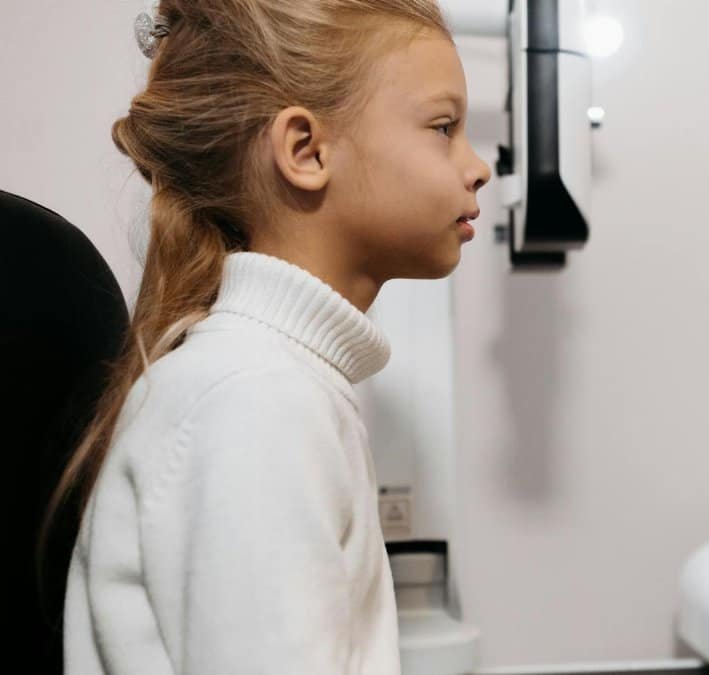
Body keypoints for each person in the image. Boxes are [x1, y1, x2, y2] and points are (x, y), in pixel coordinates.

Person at [39, 1, 491, 672]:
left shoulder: (275, 386)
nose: (477, 165)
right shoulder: (256, 401)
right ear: (306, 151)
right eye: (444, 127)